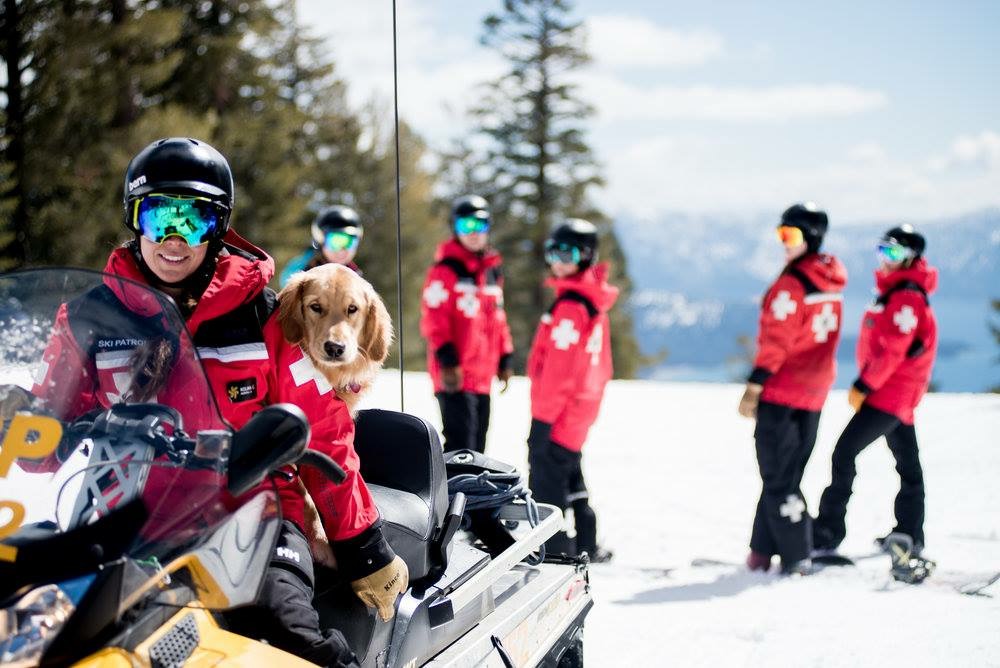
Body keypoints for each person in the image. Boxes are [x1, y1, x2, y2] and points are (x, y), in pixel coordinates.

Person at [30, 137, 406, 667]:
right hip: (125, 523)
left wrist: (362, 544)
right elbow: (37, 438)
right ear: (136, 221)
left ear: (220, 227)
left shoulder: (265, 318)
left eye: (196, 221)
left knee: (284, 634)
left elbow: (323, 431)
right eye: (161, 218)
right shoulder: (87, 319)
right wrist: (19, 421)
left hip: (255, 515)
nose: (175, 240)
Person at [812, 225, 938, 556]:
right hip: (896, 395)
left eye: (894, 253)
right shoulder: (896, 292)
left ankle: (827, 529)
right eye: (882, 251)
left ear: (911, 258)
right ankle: (910, 533)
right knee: (909, 467)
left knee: (844, 454)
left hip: (889, 395)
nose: (885, 260)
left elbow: (895, 348)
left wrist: (864, 384)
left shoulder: (906, 296)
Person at [738, 202, 846, 575]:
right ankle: (760, 554)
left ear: (811, 238)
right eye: (780, 234)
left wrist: (755, 385)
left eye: (791, 235)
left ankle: (798, 554)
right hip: (814, 392)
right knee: (784, 475)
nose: (784, 242)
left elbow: (776, 341)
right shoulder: (829, 282)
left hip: (783, 393)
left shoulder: (792, 284)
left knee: (780, 479)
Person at [526, 219, 617, 561]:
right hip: (579, 409)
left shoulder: (570, 308)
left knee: (547, 478)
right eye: (554, 252)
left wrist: (543, 421)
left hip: (560, 411)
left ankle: (555, 549)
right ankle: (586, 540)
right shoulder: (588, 301)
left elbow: (558, 373)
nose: (559, 260)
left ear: (586, 256)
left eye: (568, 252)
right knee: (569, 470)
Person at [420, 194, 514, 453]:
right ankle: (452, 493)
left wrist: (505, 357)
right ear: (455, 228)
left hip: (482, 376)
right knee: (461, 448)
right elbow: (433, 318)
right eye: (465, 226)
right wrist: (447, 360)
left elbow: (498, 318)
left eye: (479, 225)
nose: (473, 233)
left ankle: (474, 494)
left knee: (478, 449)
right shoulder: (446, 269)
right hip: (456, 375)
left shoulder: (492, 272)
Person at [280, 205, 364, 286]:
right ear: (320, 240)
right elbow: (288, 284)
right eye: (336, 241)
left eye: (350, 242)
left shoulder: (356, 276)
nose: (342, 249)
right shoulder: (302, 269)